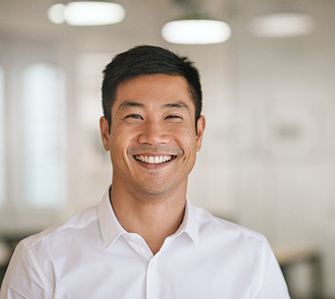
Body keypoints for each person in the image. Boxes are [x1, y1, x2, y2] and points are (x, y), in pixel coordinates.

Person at [0, 45, 290, 299]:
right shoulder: (41, 260)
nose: (153, 136)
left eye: (173, 116)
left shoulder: (250, 256)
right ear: (106, 133)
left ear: (198, 133)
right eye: (134, 117)